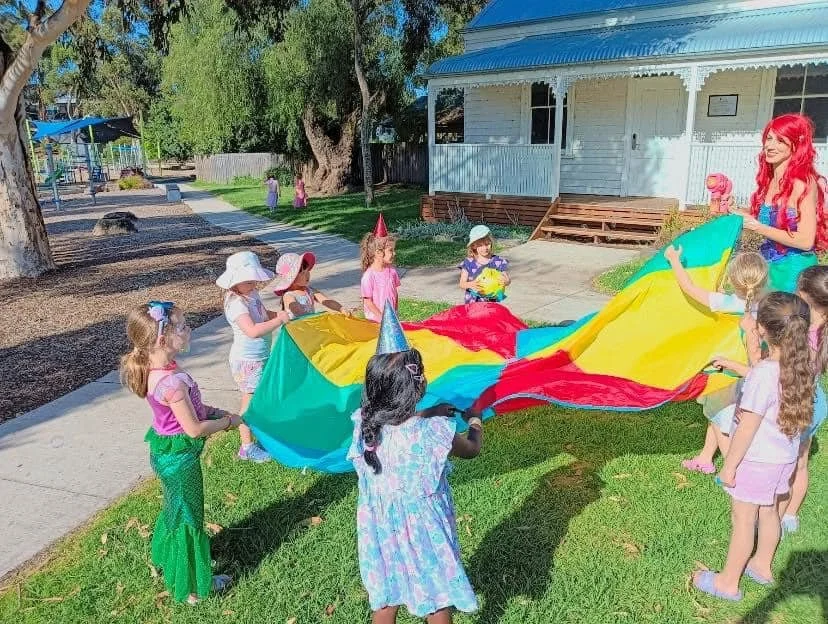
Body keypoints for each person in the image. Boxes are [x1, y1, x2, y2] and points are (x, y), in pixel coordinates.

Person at [348, 305, 482, 623]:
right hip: (425, 529)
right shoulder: (435, 432)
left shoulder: (363, 423)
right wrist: (475, 421)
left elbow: (399, 426)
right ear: (417, 386)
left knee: (386, 596)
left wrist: (428, 413)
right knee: (437, 597)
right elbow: (471, 449)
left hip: (380, 527)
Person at [693, 292, 814, 601]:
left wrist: (730, 466)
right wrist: (738, 365)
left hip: (756, 461)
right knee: (770, 511)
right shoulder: (799, 366)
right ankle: (761, 566)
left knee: (743, 519)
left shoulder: (763, 374)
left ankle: (727, 583)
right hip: (782, 459)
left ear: (762, 329)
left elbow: (746, 428)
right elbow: (769, 387)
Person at [120, 301, 242, 605]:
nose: (189, 330)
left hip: (166, 454)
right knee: (190, 517)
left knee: (176, 508)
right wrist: (227, 423)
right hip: (179, 461)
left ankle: (170, 559)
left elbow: (193, 411)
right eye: (183, 326)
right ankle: (190, 586)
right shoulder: (171, 383)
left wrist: (214, 411)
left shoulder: (161, 368)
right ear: (163, 340)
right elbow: (194, 429)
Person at [664, 245, 768, 473]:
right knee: (719, 416)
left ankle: (735, 472)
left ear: (732, 279)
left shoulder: (724, 303)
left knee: (722, 422)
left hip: (724, 374)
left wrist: (673, 259)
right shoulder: (767, 307)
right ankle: (705, 458)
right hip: (748, 375)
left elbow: (688, 287)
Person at [729, 113, 827, 292]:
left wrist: (757, 227)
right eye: (769, 138)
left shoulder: (803, 183)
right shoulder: (770, 181)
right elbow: (768, 222)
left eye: (780, 141)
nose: (770, 146)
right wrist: (735, 212)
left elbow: (805, 241)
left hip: (795, 273)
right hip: (769, 268)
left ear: (796, 145)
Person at [216, 251, 290, 463]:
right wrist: (279, 321)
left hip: (260, 356)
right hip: (247, 361)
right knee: (249, 402)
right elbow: (253, 330)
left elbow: (264, 315)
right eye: (248, 281)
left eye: (254, 279)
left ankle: (267, 435)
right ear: (235, 282)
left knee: (262, 397)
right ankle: (247, 447)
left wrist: (282, 315)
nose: (253, 283)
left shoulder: (251, 294)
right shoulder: (236, 303)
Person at [778, 265, 828, 536]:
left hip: (797, 403)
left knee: (786, 460)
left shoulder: (801, 331)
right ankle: (792, 515)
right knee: (802, 461)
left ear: (806, 296)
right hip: (817, 403)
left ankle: (777, 509)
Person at [272, 251, 351, 319]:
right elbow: (296, 310)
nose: (307, 275)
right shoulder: (289, 295)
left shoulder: (309, 290)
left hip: (310, 326)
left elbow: (326, 301)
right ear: (292, 278)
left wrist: (341, 308)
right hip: (296, 331)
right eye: (303, 273)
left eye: (307, 271)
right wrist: (314, 317)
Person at [361, 213, 400, 322]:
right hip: (375, 321)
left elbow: (395, 294)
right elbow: (368, 301)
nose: (394, 253)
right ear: (378, 253)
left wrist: (395, 313)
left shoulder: (392, 271)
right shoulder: (369, 276)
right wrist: (382, 317)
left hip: (390, 319)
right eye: (391, 250)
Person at [458, 225, 510, 303]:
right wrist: (471, 284)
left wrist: (506, 282)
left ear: (491, 243)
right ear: (474, 246)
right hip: (473, 302)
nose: (485, 248)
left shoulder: (498, 261)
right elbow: (462, 284)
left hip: (492, 301)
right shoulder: (468, 263)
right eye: (480, 245)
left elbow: (507, 278)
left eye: (487, 244)